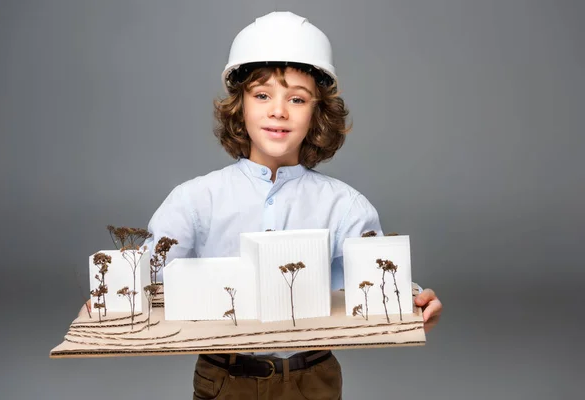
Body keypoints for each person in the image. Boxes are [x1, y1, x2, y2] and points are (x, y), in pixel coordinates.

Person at [87, 11, 442, 399]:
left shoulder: (345, 207)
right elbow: (149, 275)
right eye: (262, 95)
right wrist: (115, 297)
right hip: (225, 379)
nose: (278, 111)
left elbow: (373, 279)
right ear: (239, 106)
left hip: (312, 378)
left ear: (317, 113)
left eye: (297, 99)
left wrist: (414, 300)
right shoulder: (194, 200)